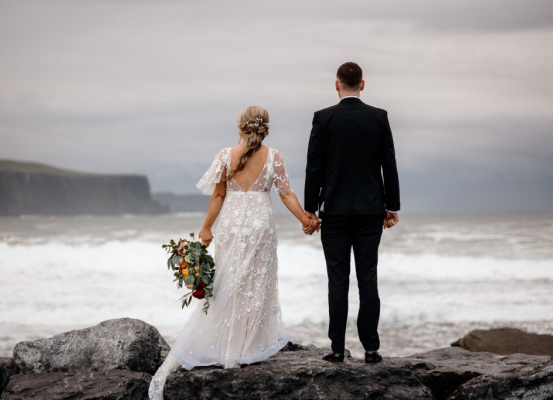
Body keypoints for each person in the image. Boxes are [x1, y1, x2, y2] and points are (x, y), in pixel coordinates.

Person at [149, 105, 319, 399]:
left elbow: (218, 195)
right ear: (265, 128)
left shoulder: (225, 155)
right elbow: (286, 193)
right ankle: (247, 347)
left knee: (228, 281)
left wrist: (205, 229)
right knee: (255, 284)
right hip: (260, 223)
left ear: (240, 127)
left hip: (231, 223)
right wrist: (305, 218)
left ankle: (228, 346)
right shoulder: (274, 156)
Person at [304, 62, 400, 364]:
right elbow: (389, 163)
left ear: (336, 85)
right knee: (368, 277)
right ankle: (371, 348)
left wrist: (311, 209)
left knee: (338, 280)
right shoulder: (379, 117)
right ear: (362, 84)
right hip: (370, 210)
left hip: (334, 211)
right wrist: (391, 206)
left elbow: (314, 167)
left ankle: (336, 347)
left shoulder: (323, 119)